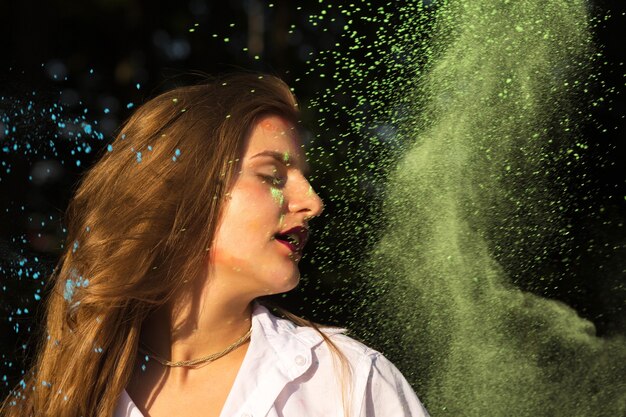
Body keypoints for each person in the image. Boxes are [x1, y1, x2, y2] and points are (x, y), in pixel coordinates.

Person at [1, 73, 429, 417]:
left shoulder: (350, 383)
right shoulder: (63, 392)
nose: (313, 203)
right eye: (272, 177)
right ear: (181, 194)